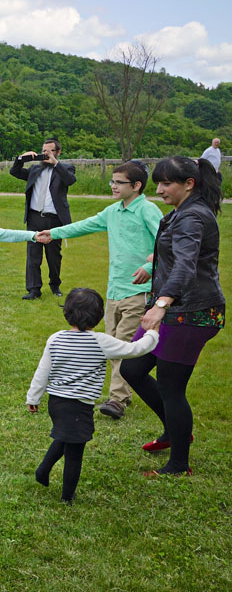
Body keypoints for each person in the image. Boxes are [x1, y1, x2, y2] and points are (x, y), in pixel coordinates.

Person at [120, 157, 224, 478]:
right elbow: (175, 254)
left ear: (189, 184)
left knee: (171, 387)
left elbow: (186, 265)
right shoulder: (183, 211)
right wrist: (155, 264)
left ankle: (179, 463)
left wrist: (161, 303)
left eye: (167, 184)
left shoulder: (194, 216)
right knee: (132, 367)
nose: (160, 190)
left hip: (191, 313)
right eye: (158, 184)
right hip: (174, 309)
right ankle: (174, 430)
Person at [35, 161, 163, 419]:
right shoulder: (112, 211)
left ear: (136, 186)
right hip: (114, 290)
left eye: (119, 182)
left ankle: (117, 399)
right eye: (112, 181)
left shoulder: (148, 210)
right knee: (111, 344)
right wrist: (54, 232)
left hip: (139, 292)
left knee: (124, 343)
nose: (113, 186)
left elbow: (166, 242)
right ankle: (119, 392)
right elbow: (85, 225)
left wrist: (149, 267)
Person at [26, 288, 159, 503]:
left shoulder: (55, 339)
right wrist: (152, 333)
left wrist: (33, 398)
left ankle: (42, 471)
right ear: (98, 317)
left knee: (63, 436)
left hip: (56, 403)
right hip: (79, 406)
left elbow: (43, 371)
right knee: (74, 452)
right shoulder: (101, 341)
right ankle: (67, 497)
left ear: (67, 313)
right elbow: (134, 350)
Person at [10, 138, 76, 299]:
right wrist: (21, 158)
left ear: (58, 152)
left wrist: (55, 163)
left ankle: (55, 285)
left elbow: (70, 180)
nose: (45, 154)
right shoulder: (35, 170)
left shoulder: (66, 168)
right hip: (34, 217)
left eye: (49, 151)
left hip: (54, 219)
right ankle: (34, 289)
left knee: (53, 256)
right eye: (43, 150)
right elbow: (15, 172)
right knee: (33, 255)